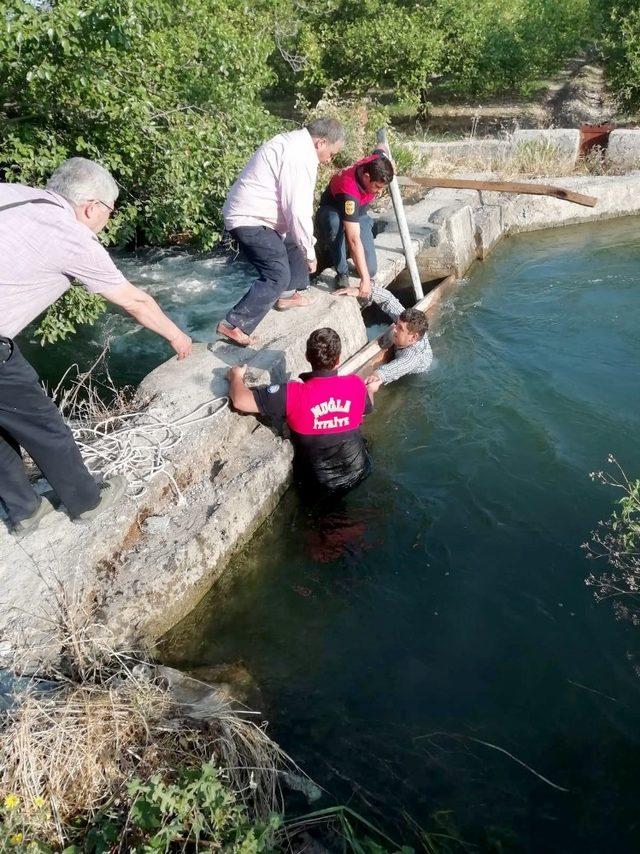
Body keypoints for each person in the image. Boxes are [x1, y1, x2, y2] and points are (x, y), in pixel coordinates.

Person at [0, 157, 193, 537]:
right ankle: (87, 502)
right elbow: (134, 301)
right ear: (92, 207)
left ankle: (24, 510)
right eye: (109, 210)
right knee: (45, 425)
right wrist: (177, 336)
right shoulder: (69, 235)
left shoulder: (13, 195)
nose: (108, 219)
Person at [217, 118, 346, 347]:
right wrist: (310, 253)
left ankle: (287, 297)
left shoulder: (295, 144)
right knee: (277, 275)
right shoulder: (299, 156)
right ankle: (233, 325)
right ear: (321, 142)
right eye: (332, 153)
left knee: (293, 243)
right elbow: (297, 211)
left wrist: (304, 245)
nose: (329, 160)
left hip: (260, 217)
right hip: (250, 220)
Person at [227, 327, 372, 497]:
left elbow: (239, 400)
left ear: (307, 357)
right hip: (360, 470)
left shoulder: (292, 394)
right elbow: (365, 410)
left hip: (320, 484)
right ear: (338, 359)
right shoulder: (356, 384)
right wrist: (371, 390)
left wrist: (235, 376)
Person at [315, 149, 394, 296]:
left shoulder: (377, 161)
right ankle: (342, 272)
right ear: (366, 177)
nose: (379, 192)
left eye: (383, 188)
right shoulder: (349, 189)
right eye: (377, 186)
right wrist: (364, 281)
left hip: (360, 212)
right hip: (334, 209)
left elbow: (380, 151)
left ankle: (357, 257)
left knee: (370, 270)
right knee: (335, 223)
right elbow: (353, 239)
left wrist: (367, 275)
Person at [337, 284, 432, 392]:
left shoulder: (412, 357)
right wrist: (361, 291)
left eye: (400, 328)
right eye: (397, 324)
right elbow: (388, 300)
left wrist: (377, 375)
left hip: (417, 375)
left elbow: (396, 368)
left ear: (413, 337)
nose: (395, 328)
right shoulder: (407, 324)